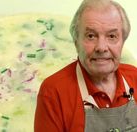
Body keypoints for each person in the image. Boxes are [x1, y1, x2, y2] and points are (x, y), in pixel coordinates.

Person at [34, 0, 137, 131]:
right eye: (91, 36)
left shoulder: (135, 77)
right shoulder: (53, 91)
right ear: (76, 42)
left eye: (112, 36)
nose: (101, 47)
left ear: (122, 41)